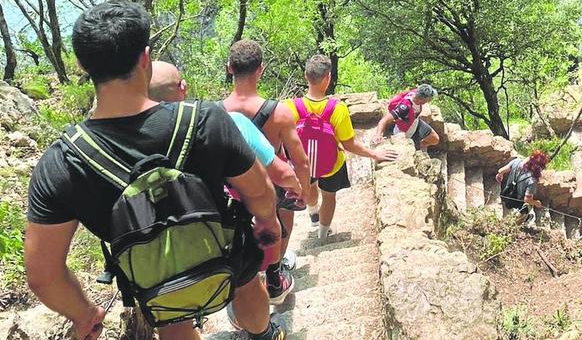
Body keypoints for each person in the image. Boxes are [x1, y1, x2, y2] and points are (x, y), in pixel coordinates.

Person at [25, 0, 284, 340]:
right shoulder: (204, 120)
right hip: (223, 250)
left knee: (171, 318)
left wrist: (84, 313)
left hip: (153, 277)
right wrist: (267, 221)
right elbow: (258, 188)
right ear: (146, 58)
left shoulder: (63, 161)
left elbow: (43, 273)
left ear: (82, 66)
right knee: (244, 275)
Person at [223, 40, 313, 303]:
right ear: (260, 70)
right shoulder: (279, 112)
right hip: (274, 184)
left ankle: (249, 282)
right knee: (280, 226)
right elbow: (301, 160)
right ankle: (276, 272)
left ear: (230, 68)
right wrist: (303, 191)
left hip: (235, 188)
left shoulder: (217, 113)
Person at [285, 54, 398, 240]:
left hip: (302, 163)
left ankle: (313, 214)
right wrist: (374, 154)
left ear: (306, 75)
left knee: (311, 183)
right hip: (332, 165)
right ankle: (322, 235)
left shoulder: (290, 107)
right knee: (329, 197)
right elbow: (349, 144)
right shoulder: (337, 108)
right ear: (328, 78)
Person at [149, 61, 301, 195]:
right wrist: (298, 190)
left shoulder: (128, 137)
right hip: (211, 218)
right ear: (183, 87)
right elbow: (283, 174)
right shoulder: (222, 121)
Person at [372, 84, 440, 150]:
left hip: (415, 122)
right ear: (421, 100)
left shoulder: (416, 92)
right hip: (404, 132)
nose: (428, 102)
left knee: (435, 139)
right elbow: (384, 120)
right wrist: (378, 135)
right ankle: (416, 147)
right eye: (428, 100)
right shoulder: (404, 108)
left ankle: (419, 145)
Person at [495, 151, 547, 220]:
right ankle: (524, 218)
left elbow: (500, 171)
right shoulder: (532, 181)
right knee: (529, 205)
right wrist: (536, 203)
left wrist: (499, 176)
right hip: (516, 202)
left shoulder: (516, 162)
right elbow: (527, 199)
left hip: (506, 194)